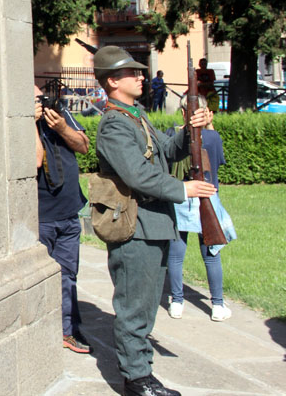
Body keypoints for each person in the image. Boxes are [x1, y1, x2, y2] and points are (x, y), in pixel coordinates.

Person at [93, 46, 216, 396]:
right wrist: (183, 188)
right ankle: (137, 380)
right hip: (136, 227)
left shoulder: (136, 116)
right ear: (112, 81)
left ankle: (141, 371)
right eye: (132, 72)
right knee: (134, 307)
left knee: (146, 306)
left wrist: (190, 128)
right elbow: (137, 174)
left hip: (154, 223)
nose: (141, 76)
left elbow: (168, 151)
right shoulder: (114, 124)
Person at [166, 95, 235, 322]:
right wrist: (208, 126)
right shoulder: (213, 137)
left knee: (176, 255)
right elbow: (218, 162)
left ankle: (177, 302)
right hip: (207, 196)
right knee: (211, 255)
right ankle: (217, 304)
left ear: (183, 113)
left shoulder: (171, 135)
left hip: (181, 196)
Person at [34, 86, 91, 354]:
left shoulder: (59, 115)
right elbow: (36, 159)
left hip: (69, 211)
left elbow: (84, 146)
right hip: (42, 215)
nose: (42, 103)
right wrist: (30, 122)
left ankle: (67, 330)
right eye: (35, 100)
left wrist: (61, 127)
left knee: (68, 274)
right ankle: (41, 332)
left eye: (42, 97)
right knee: (39, 278)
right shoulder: (21, 123)